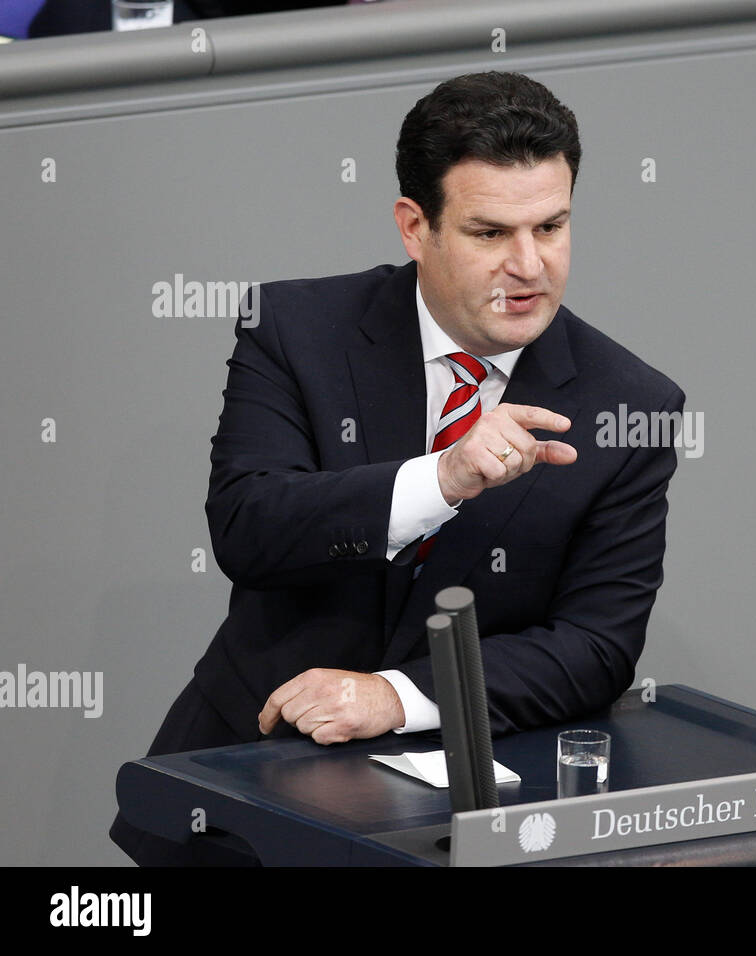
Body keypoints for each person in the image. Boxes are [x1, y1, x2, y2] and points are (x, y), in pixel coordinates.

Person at [110, 70, 685, 865]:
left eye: (551, 227)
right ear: (415, 228)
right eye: (490, 234)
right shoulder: (295, 329)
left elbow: (594, 647)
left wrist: (394, 696)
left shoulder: (631, 404)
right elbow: (250, 526)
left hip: (456, 818)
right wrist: (441, 479)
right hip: (242, 785)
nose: (530, 266)